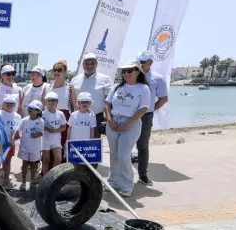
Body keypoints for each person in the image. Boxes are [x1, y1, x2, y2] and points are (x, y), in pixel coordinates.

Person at [103, 59, 150, 198]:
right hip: (113, 122)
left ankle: (127, 185)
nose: (126, 73)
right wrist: (109, 120)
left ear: (137, 71)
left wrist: (127, 124)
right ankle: (113, 182)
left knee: (124, 155)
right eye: (124, 71)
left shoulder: (143, 88)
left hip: (131, 123)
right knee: (114, 154)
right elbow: (107, 103)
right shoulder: (117, 87)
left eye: (130, 70)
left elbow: (143, 109)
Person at [135, 51, 169, 186]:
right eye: (139, 61)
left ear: (150, 63)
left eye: (143, 62)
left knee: (142, 146)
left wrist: (151, 110)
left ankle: (143, 175)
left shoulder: (158, 79)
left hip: (145, 116)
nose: (141, 64)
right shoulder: (131, 75)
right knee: (124, 147)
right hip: (129, 115)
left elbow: (164, 98)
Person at [70, 52, 112, 137]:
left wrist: (109, 119)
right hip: (78, 118)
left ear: (96, 64)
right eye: (87, 64)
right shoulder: (74, 80)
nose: (89, 66)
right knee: (78, 144)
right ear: (83, 65)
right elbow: (72, 101)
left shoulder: (105, 79)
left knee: (93, 146)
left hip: (97, 118)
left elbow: (109, 102)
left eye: (92, 63)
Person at [15, 101, 44, 191]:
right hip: (25, 146)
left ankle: (32, 182)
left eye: (33, 109)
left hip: (35, 148)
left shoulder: (41, 121)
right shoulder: (24, 120)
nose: (30, 109)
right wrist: (15, 137)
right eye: (29, 108)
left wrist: (37, 134)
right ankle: (23, 182)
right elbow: (17, 130)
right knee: (24, 165)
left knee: (33, 166)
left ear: (38, 111)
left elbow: (41, 132)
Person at [50, 59, 76, 152]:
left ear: (64, 72)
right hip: (50, 120)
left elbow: (75, 106)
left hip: (64, 121)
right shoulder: (48, 87)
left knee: (63, 147)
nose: (56, 72)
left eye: (59, 70)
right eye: (55, 70)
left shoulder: (70, 87)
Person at [0, 95, 21, 187]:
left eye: (12, 103)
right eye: (7, 103)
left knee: (7, 161)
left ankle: (6, 180)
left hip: (10, 144)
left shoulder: (18, 116)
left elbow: (19, 132)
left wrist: (14, 140)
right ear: (3, 103)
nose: (9, 105)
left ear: (15, 104)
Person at [41, 92, 66, 175]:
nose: (51, 102)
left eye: (54, 100)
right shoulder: (42, 114)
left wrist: (55, 131)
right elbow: (39, 126)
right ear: (46, 102)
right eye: (49, 100)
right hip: (45, 140)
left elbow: (64, 127)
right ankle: (45, 179)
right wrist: (46, 128)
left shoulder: (60, 114)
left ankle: (52, 176)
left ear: (57, 102)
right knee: (46, 160)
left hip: (56, 140)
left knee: (58, 159)